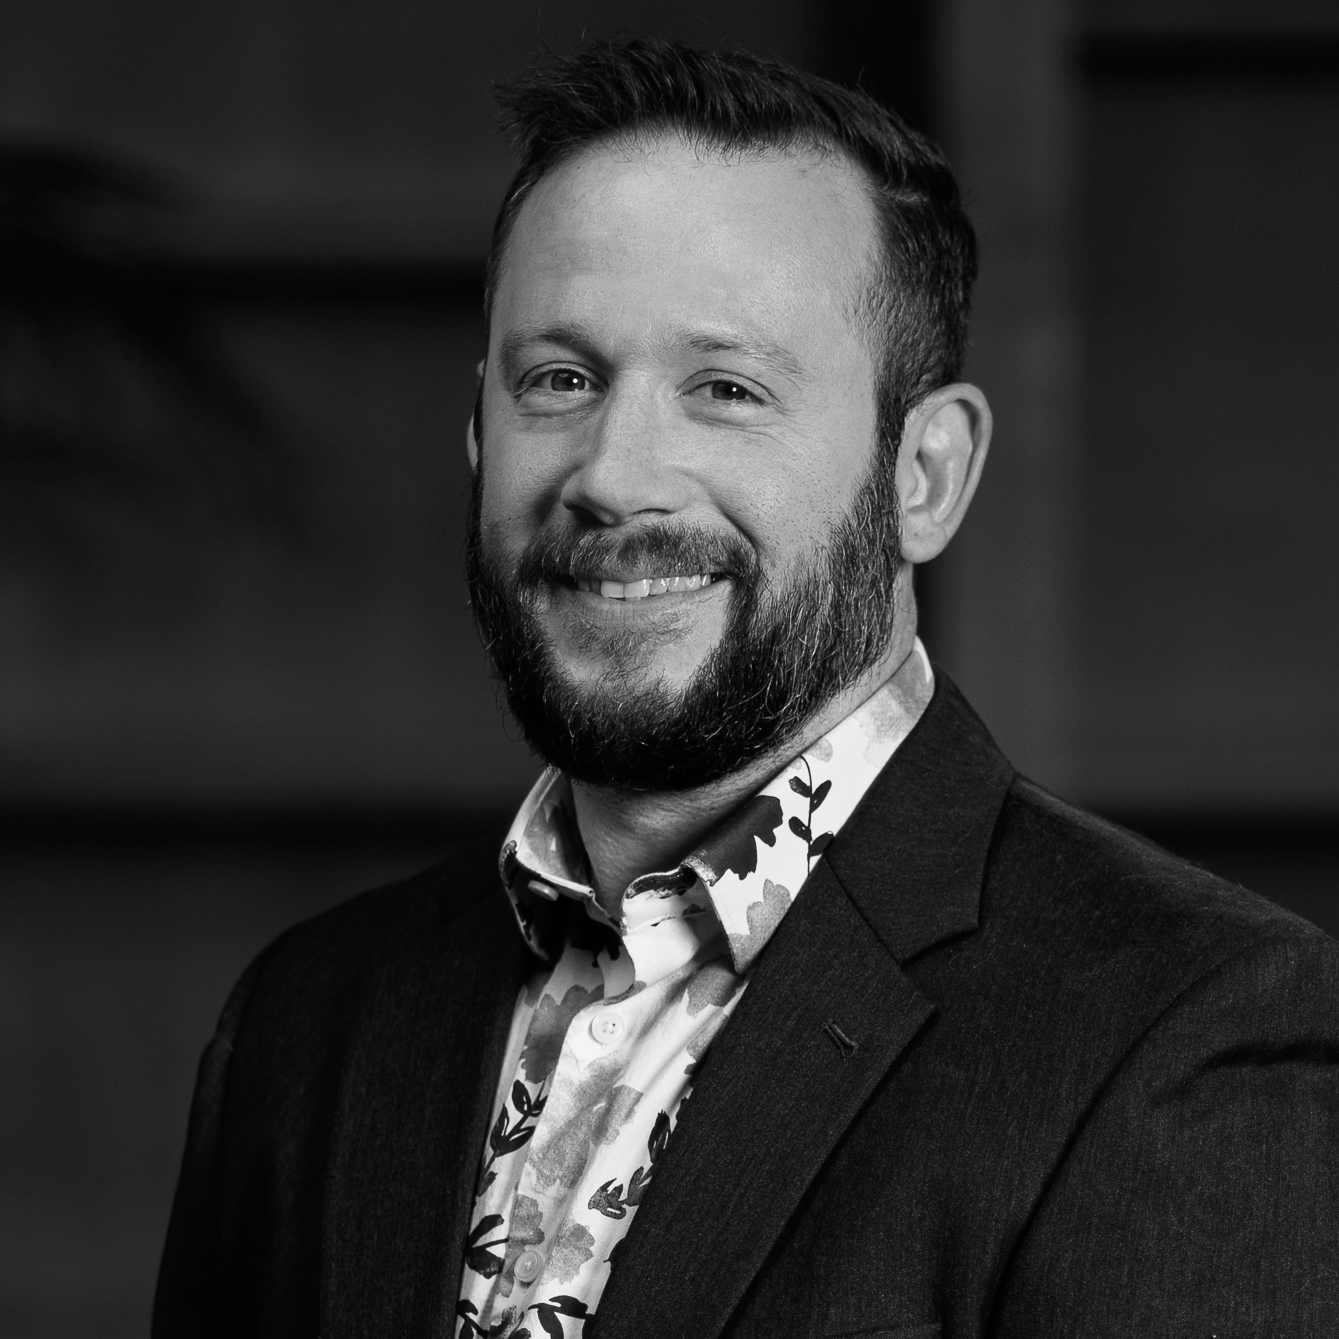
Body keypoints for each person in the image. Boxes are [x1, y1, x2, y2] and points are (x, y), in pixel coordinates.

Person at [153, 38, 1339, 1339]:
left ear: (924, 474)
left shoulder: (1176, 1043)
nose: (613, 472)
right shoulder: (310, 1021)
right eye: (561, 379)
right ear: (479, 430)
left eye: (724, 389)